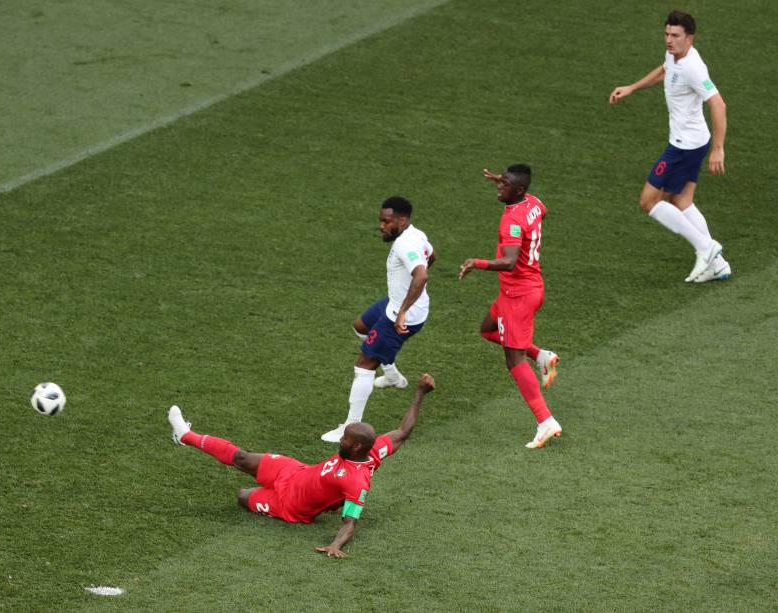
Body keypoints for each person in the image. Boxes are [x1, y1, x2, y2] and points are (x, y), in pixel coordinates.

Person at [167, 374, 436, 558]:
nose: (340, 439)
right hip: (294, 471)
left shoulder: (357, 481)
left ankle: (264, 497)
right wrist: (420, 393)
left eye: (345, 437)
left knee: (242, 496)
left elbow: (350, 521)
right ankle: (186, 436)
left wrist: (335, 544)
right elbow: (402, 431)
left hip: (292, 506)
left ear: (355, 447)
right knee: (243, 459)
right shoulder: (373, 448)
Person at [609, 10, 730, 283]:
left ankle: (706, 248)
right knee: (682, 200)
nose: (669, 40)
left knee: (648, 201)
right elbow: (665, 70)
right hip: (690, 142)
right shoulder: (675, 56)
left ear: (690, 38)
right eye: (666, 34)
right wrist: (633, 87)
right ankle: (718, 264)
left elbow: (718, 104)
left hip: (684, 146)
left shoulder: (692, 67)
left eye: (675, 36)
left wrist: (719, 148)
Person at [459, 165, 562, 449]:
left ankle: (545, 421)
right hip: (518, 292)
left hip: (519, 296)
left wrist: (476, 263)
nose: (498, 186)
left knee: (513, 360)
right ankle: (541, 356)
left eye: (504, 184)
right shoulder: (533, 203)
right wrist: (509, 184)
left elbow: (509, 262)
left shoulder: (512, 220)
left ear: (518, 190)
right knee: (487, 329)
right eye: (499, 181)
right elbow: (542, 210)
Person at [321, 196, 435, 443]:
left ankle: (349, 428)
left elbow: (422, 275)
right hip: (396, 303)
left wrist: (403, 310)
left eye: (386, 222)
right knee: (361, 325)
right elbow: (430, 256)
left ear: (401, 220)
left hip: (401, 314)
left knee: (364, 364)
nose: (381, 226)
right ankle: (393, 374)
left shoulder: (405, 245)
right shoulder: (417, 235)